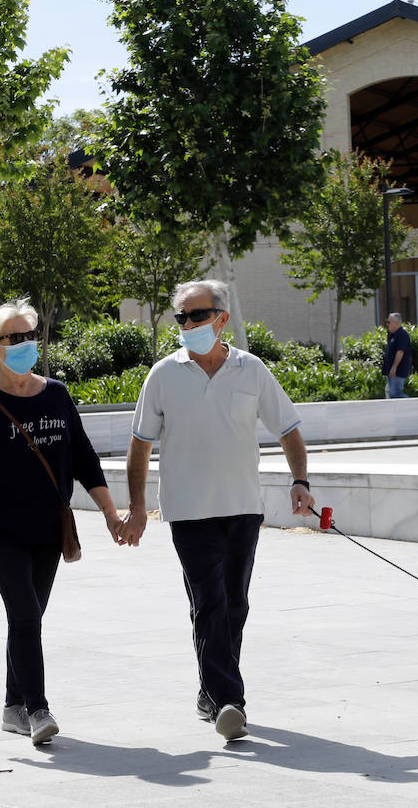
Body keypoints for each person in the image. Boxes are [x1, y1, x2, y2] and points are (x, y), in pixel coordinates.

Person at [123, 279, 315, 743]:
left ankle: (211, 693)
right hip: (188, 512)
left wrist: (300, 481)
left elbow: (288, 427)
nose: (188, 325)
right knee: (209, 601)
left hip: (243, 508)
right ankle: (231, 701)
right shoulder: (163, 375)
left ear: (221, 319)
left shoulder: (252, 370)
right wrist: (136, 508)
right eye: (182, 318)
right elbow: (140, 445)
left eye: (197, 316)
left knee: (235, 604)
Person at [0, 298, 126, 746]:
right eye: (14, 338)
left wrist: (110, 513)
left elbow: (83, 457)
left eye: (29, 336)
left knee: (28, 618)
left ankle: (11, 707)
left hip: (49, 529)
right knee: (25, 614)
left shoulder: (57, 394)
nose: (25, 344)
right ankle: (37, 709)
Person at [382, 312, 413, 399]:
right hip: (392, 371)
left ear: (396, 323)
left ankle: (412, 406)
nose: (387, 324)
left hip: (398, 370)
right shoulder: (393, 335)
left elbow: (400, 352)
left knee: (395, 393)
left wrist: (394, 367)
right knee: (391, 393)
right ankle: (394, 412)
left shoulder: (402, 334)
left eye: (389, 322)